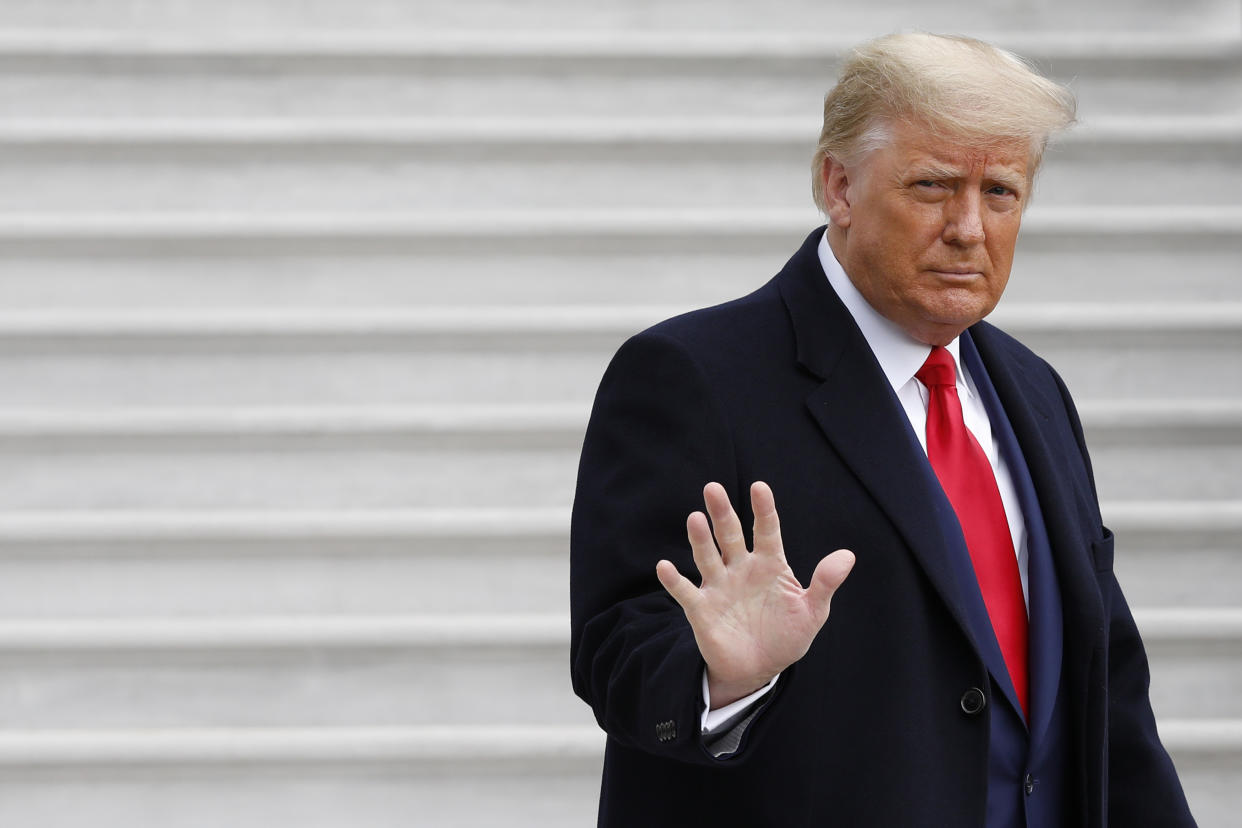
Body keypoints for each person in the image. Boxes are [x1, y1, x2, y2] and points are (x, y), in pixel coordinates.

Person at [569, 32, 1196, 827]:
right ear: (840, 187)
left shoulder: (1036, 391)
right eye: (933, 186)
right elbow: (616, 650)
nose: (969, 228)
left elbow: (1110, 696)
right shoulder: (691, 374)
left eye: (1000, 192)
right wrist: (724, 678)